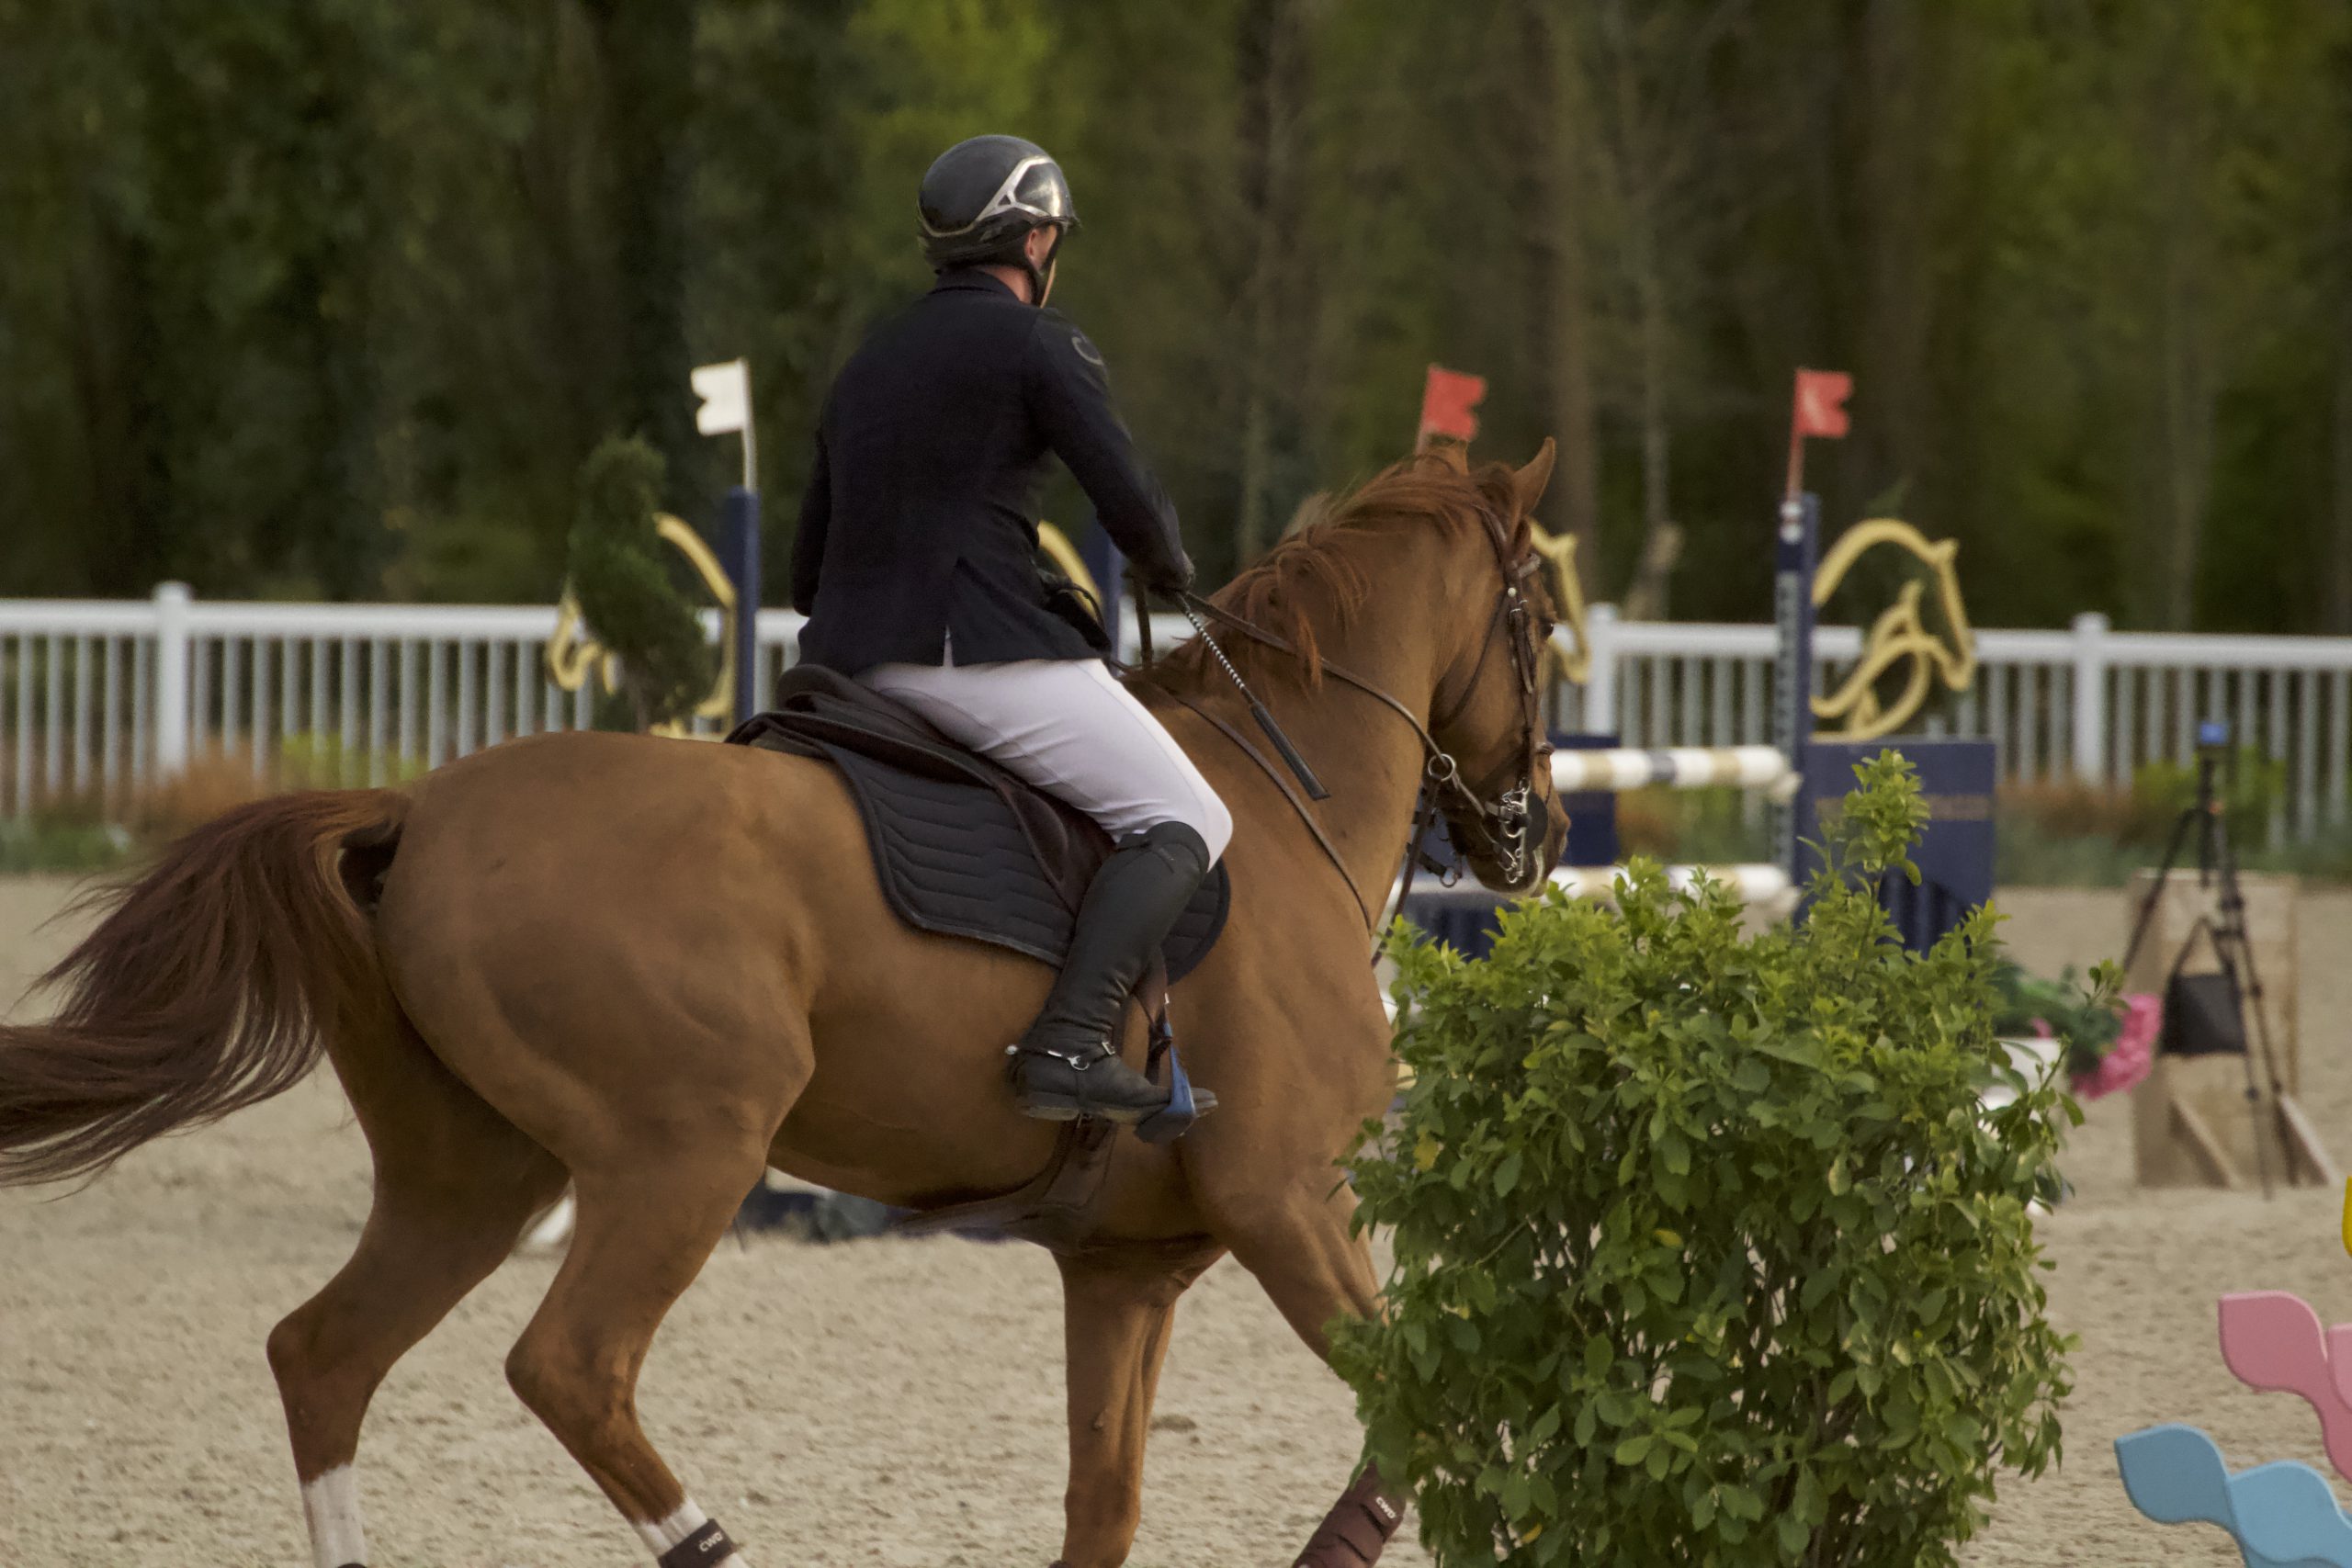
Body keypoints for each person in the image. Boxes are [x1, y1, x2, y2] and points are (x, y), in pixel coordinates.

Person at [790, 134, 1232, 1124]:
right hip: (970, 652)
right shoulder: (1039, 344)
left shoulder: (866, 361)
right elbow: (1129, 499)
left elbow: (802, 571)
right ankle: (1070, 1040)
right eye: (1052, 236)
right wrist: (1171, 566)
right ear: (1035, 238)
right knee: (1189, 818)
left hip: (845, 672)